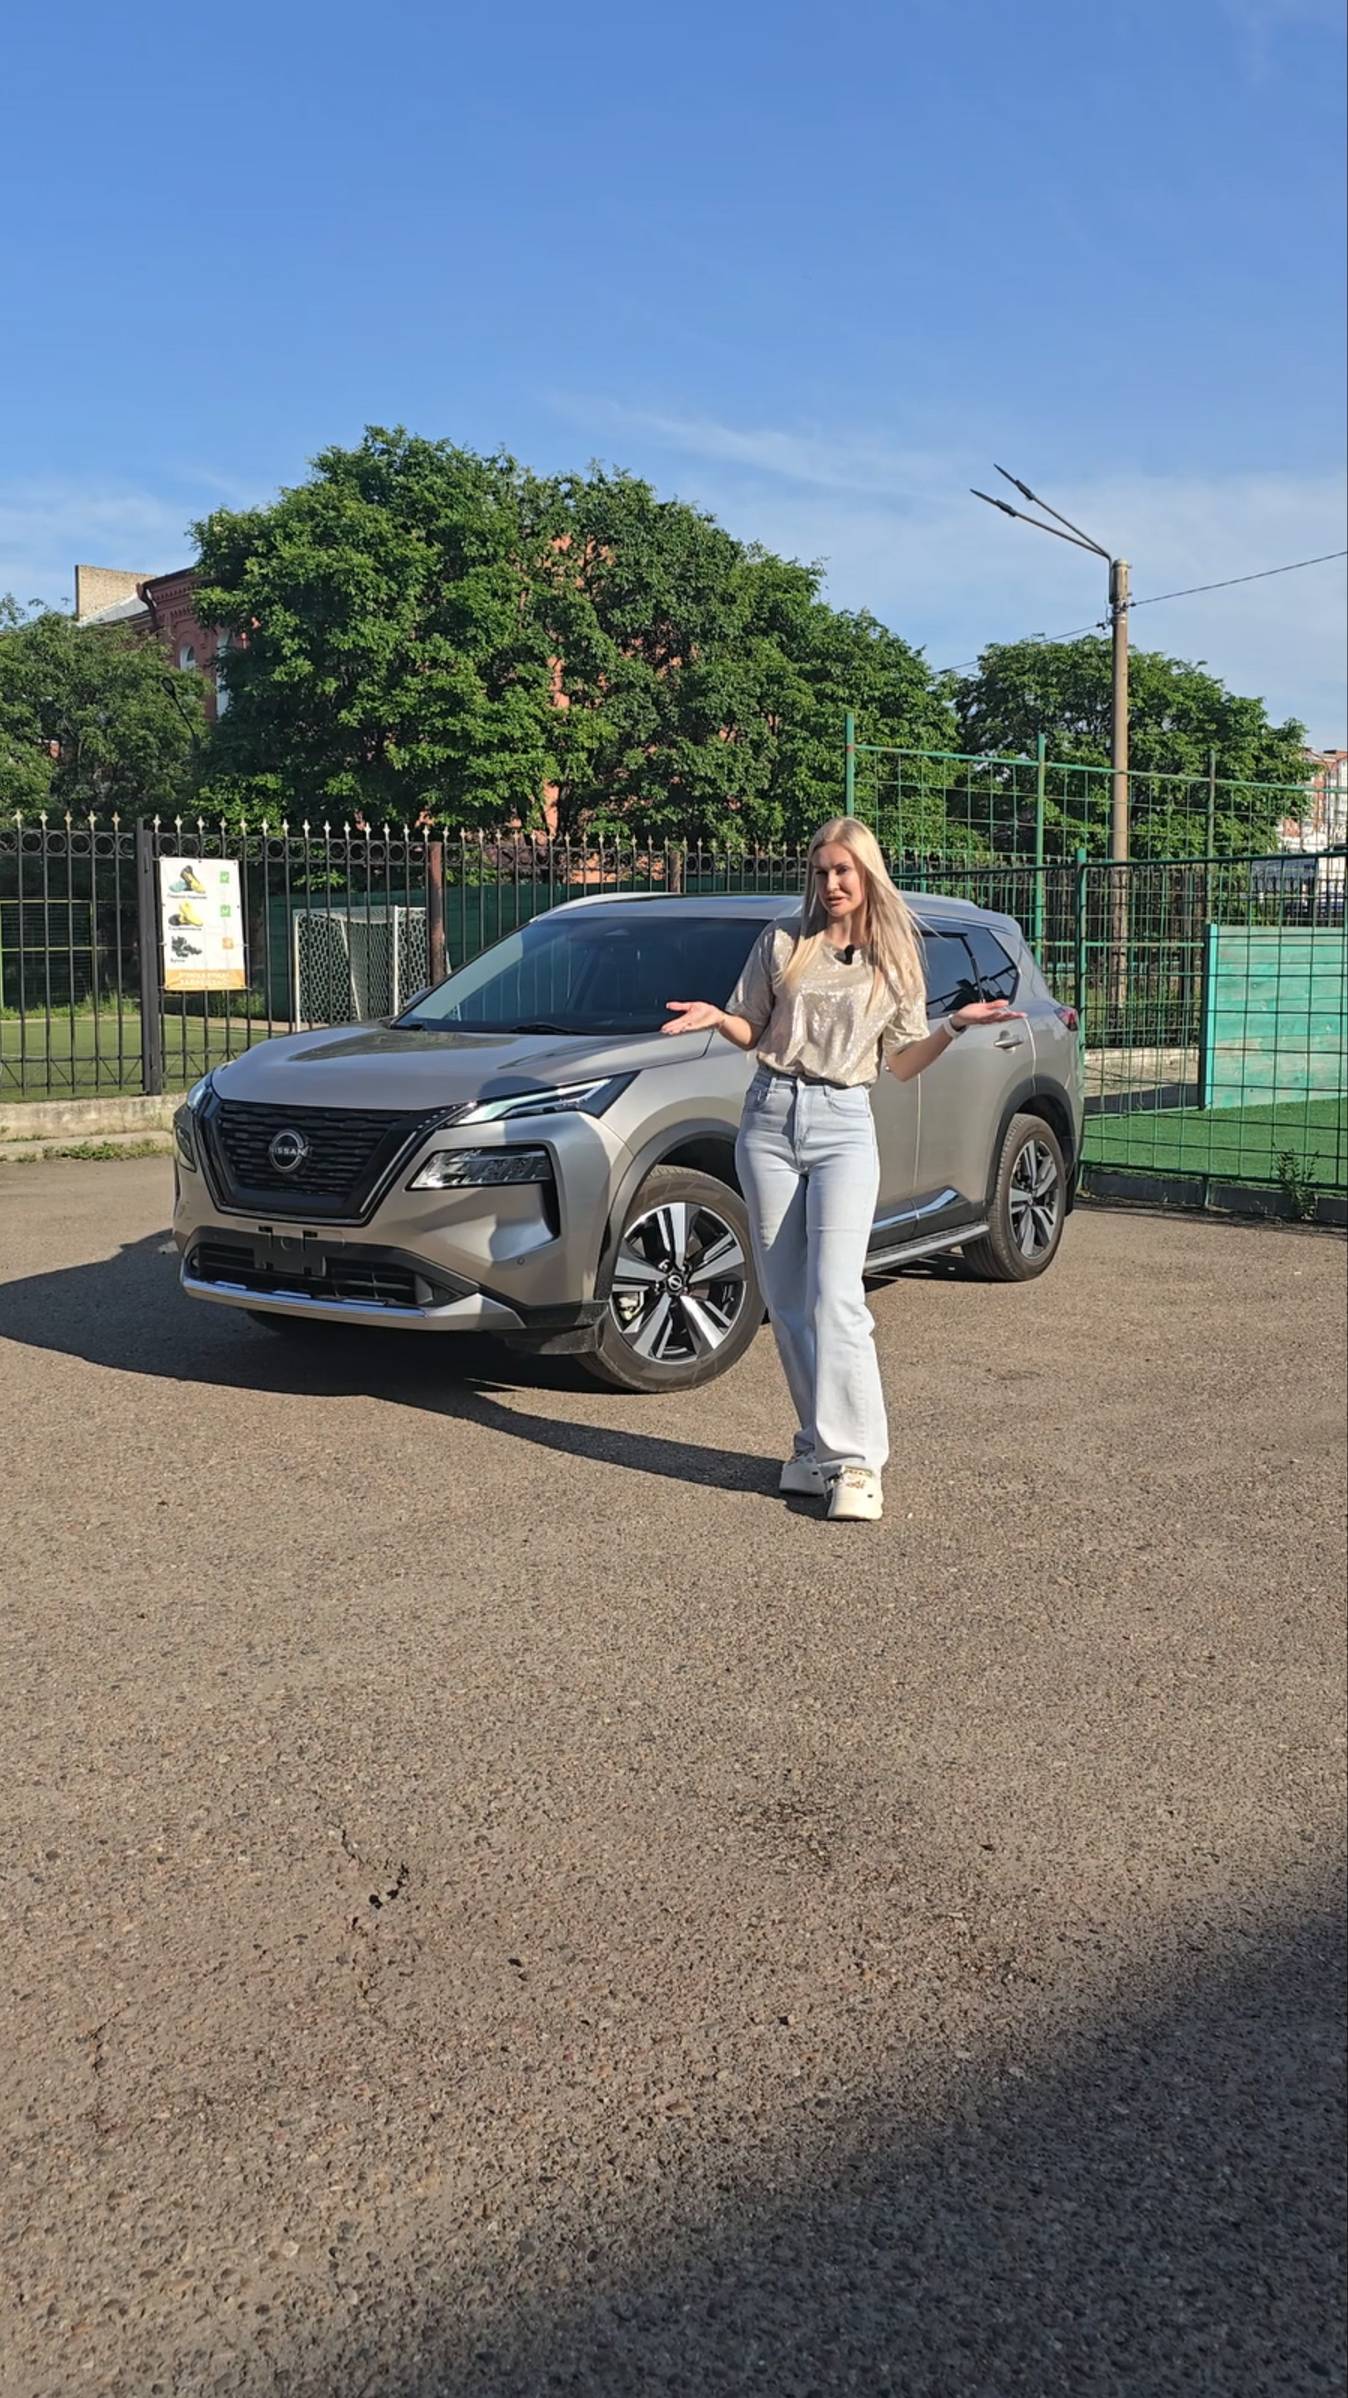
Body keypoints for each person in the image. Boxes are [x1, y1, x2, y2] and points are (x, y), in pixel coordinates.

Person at [662, 817, 1022, 1523]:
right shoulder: (783, 941)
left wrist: (954, 1025)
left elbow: (902, 1062)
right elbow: (754, 1029)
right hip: (768, 1117)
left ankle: (858, 1463)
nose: (830, 883)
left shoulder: (895, 958)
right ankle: (815, 1449)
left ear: (866, 875)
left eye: (842, 871)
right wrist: (717, 1018)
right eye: (821, 871)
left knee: (836, 1297)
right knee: (787, 1299)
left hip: (843, 1124)